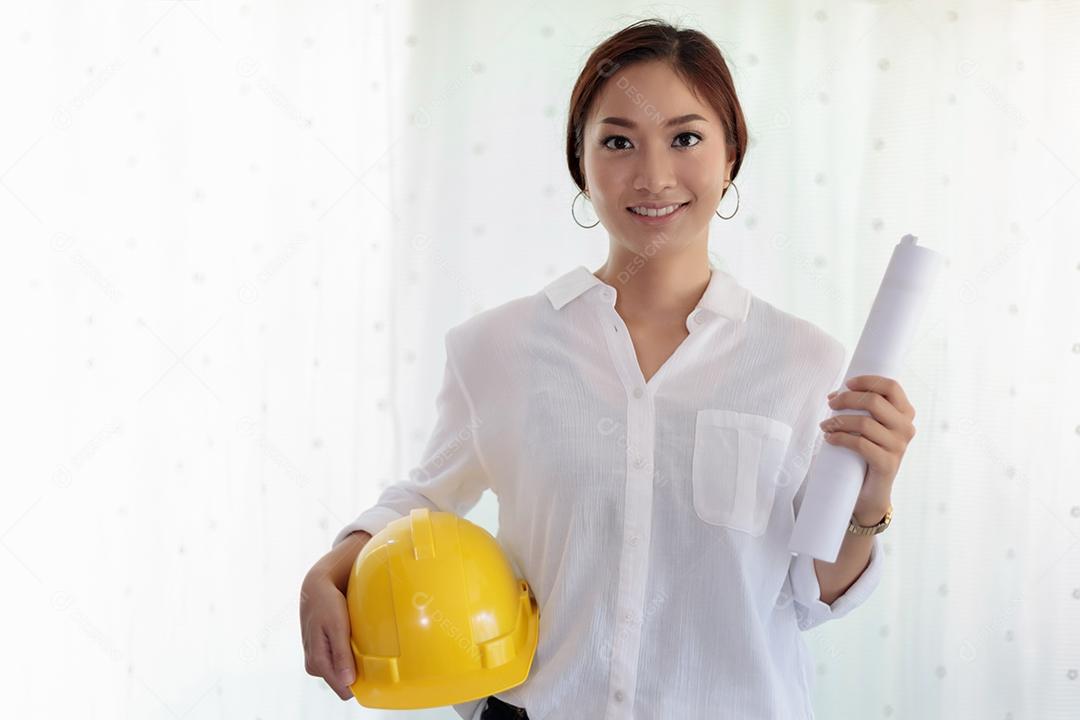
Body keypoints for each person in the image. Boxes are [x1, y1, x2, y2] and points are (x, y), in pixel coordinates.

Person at [300, 17, 917, 720]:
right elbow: (425, 500)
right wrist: (328, 570)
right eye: (618, 142)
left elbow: (813, 594)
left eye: (686, 138)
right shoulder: (495, 347)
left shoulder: (806, 363)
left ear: (731, 154)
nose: (654, 176)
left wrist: (872, 498)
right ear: (581, 162)